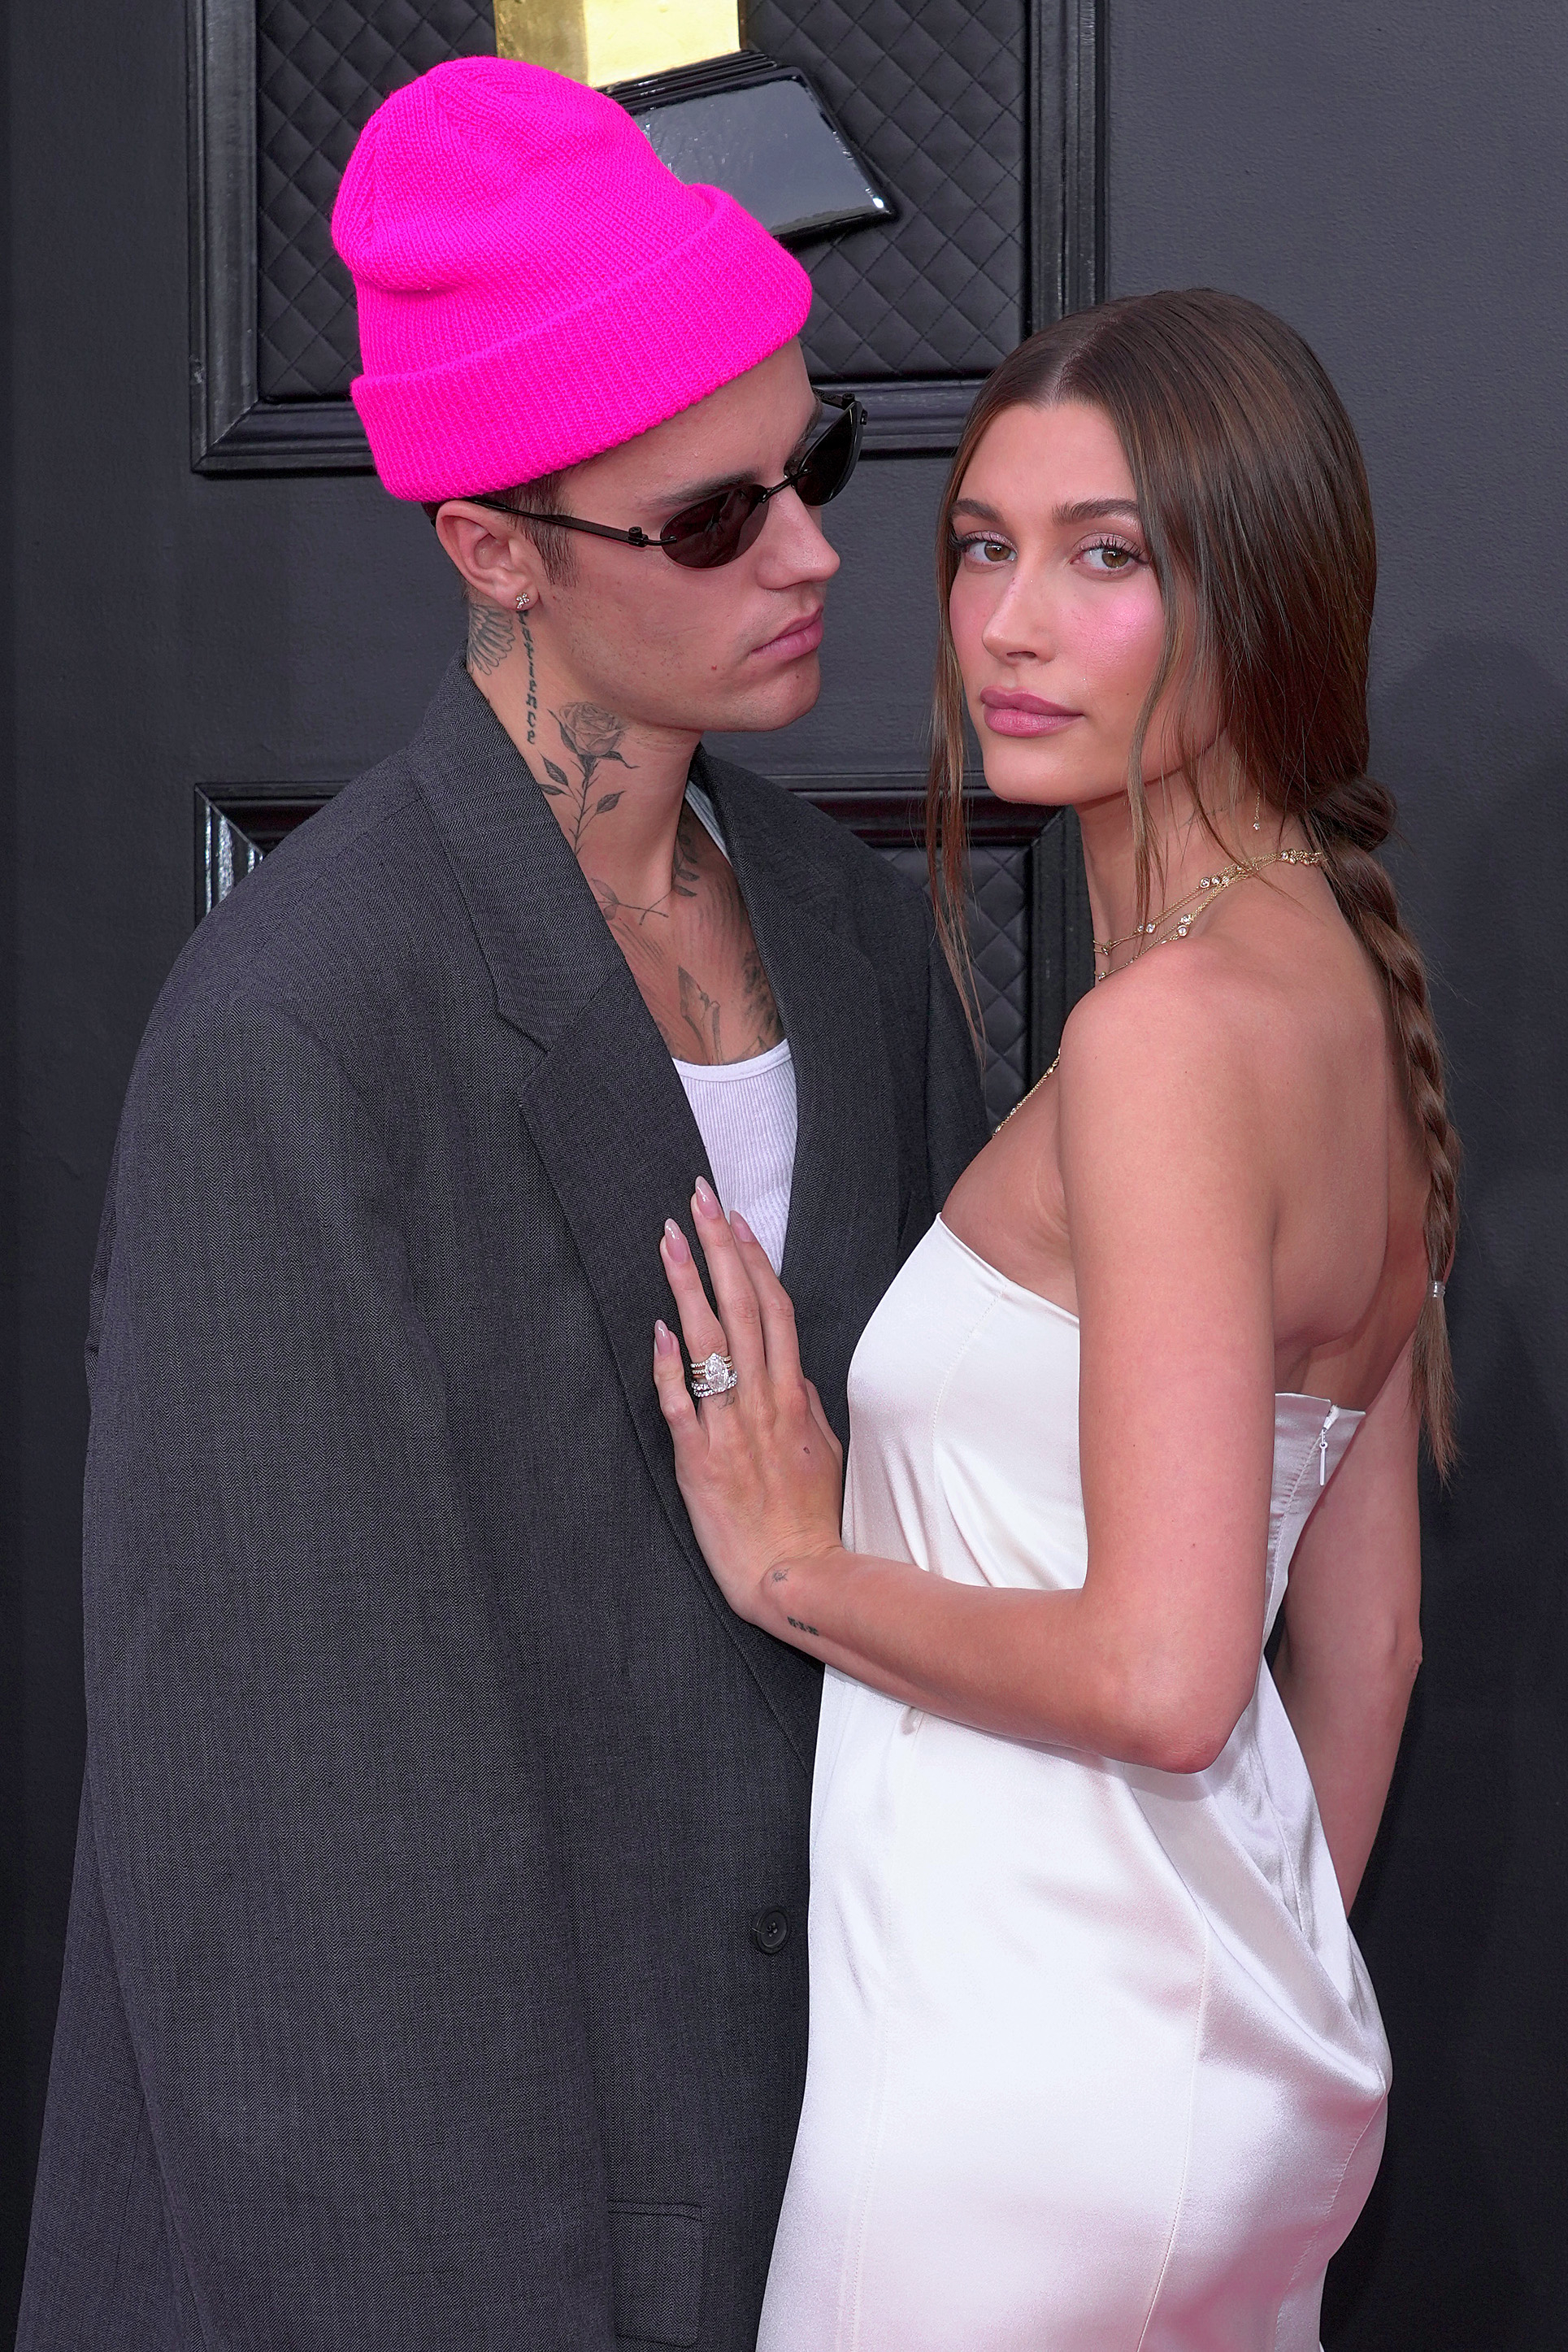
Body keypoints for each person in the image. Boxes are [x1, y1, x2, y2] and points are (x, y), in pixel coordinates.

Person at [16, 58, 987, 2352]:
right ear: (489, 543)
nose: (815, 548)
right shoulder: (296, 1039)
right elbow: (298, 1875)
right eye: (712, 515)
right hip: (483, 2238)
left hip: (844, 2194)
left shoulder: (853, 939)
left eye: (817, 465)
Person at [652, 289, 1457, 2350]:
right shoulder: (1346, 999)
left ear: (1263, 593)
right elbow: (1361, 1641)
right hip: (1189, 2073)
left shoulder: (1162, 1038)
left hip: (1013, 2090)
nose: (1004, 623)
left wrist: (796, 1566)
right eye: (981, 546)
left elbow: (1171, 1677)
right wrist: (1219, 2004)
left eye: (1104, 556)